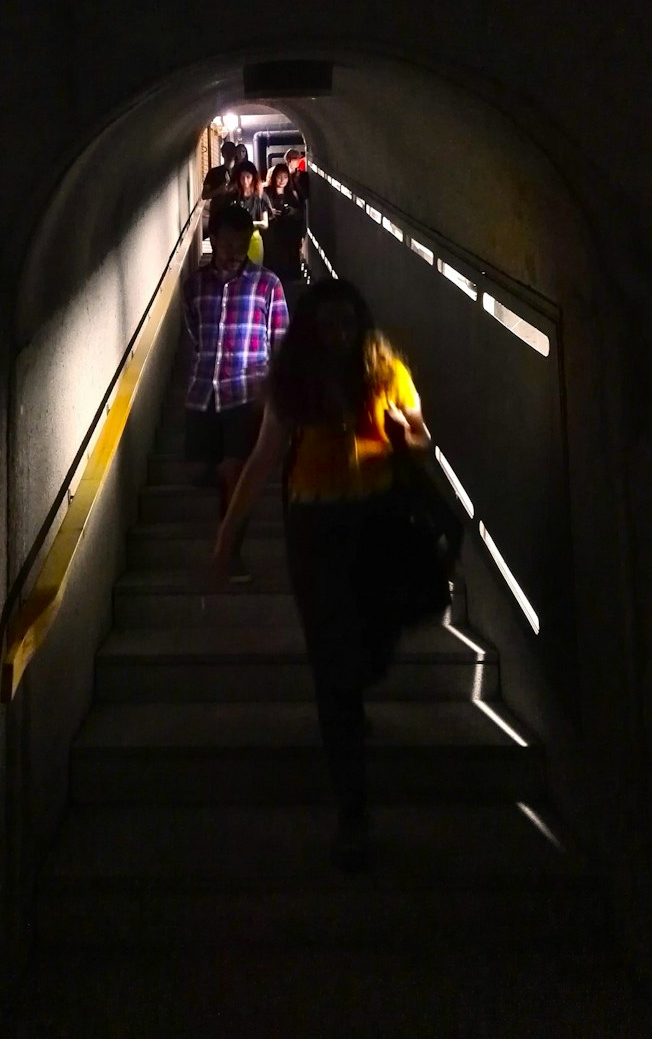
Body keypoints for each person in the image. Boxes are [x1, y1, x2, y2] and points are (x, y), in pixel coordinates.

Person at [213, 279, 431, 868]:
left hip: (377, 521)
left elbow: (421, 440)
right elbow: (262, 461)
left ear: (360, 325)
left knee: (368, 650)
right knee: (333, 667)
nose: (337, 336)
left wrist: (406, 435)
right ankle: (352, 812)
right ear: (310, 328)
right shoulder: (293, 384)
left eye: (346, 324)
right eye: (327, 325)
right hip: (314, 528)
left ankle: (352, 700)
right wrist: (228, 537)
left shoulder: (387, 375)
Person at [183, 201, 289, 583]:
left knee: (234, 471)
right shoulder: (195, 283)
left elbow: (279, 339)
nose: (233, 253)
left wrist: (276, 392)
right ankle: (227, 535)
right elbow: (194, 332)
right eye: (226, 244)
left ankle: (230, 555)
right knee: (197, 469)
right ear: (213, 238)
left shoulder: (268, 284)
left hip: (247, 392)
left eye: (241, 244)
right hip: (202, 391)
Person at [262, 162, 305, 292]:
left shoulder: (292, 193)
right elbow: (261, 208)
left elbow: (300, 214)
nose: (282, 180)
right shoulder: (266, 192)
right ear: (274, 177)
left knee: (288, 262)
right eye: (279, 177)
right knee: (272, 260)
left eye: (285, 177)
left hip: (288, 233)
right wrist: (271, 212)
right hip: (272, 233)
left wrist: (292, 211)